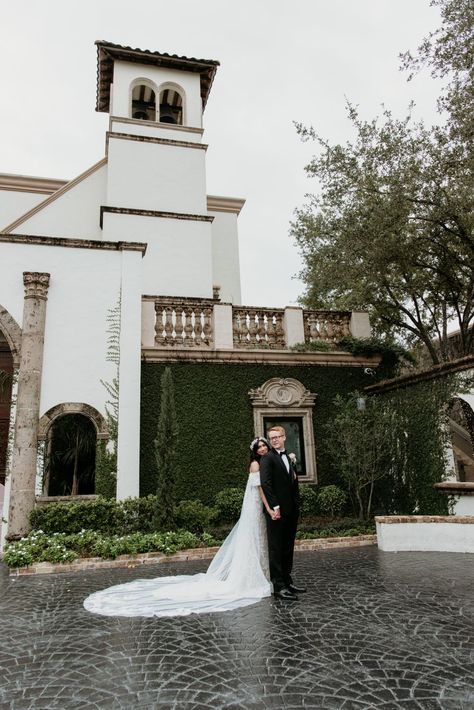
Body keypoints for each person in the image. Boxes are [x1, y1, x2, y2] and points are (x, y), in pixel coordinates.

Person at [83, 437, 273, 617]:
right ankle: (248, 577)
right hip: (255, 504)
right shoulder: (256, 464)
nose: (263, 449)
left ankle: (261, 573)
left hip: (256, 505)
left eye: (264, 446)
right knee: (252, 536)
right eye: (259, 447)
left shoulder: (265, 462)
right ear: (254, 452)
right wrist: (267, 506)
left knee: (257, 536)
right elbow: (259, 488)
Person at [259, 425, 306, 601]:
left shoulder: (289, 457)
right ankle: (278, 586)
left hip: (291, 511)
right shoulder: (267, 459)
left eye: (277, 437)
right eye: (271, 438)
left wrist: (297, 505)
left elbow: (293, 484)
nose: (275, 440)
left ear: (284, 437)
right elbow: (266, 485)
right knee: (276, 548)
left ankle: (287, 580)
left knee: (288, 547)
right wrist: (275, 507)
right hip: (277, 512)